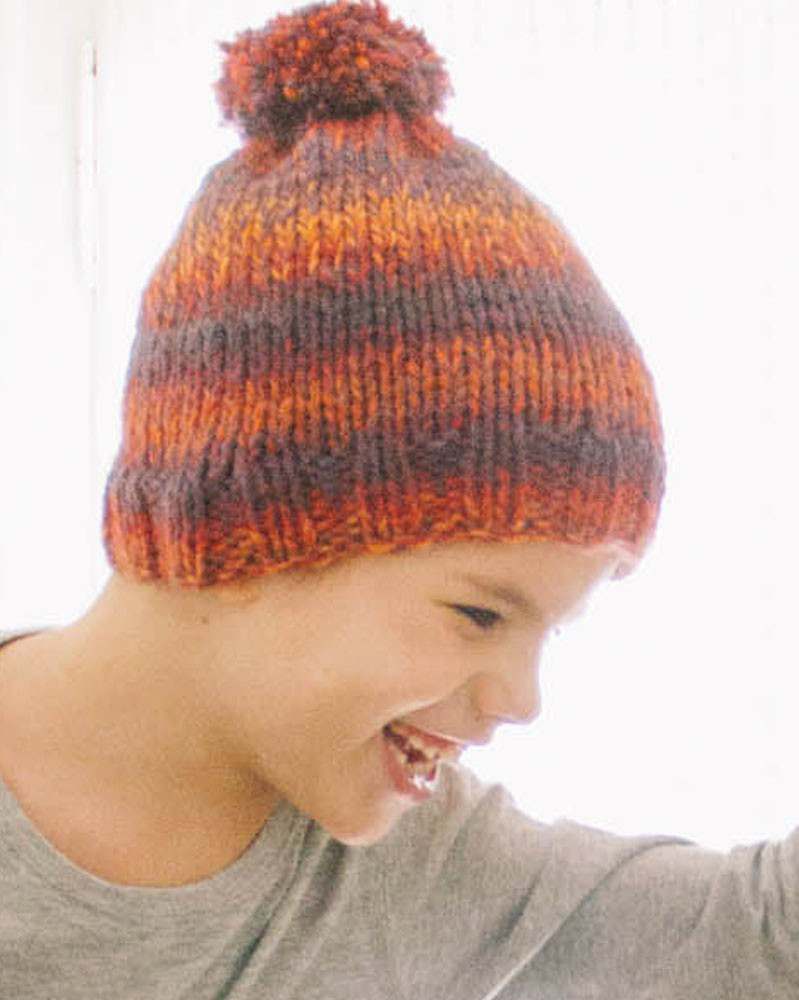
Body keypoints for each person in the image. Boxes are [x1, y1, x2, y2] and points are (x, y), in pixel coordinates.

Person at [0, 1, 794, 997]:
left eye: (550, 629)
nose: (520, 701)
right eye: (479, 613)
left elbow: (757, 934)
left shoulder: (421, 865)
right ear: (245, 528)